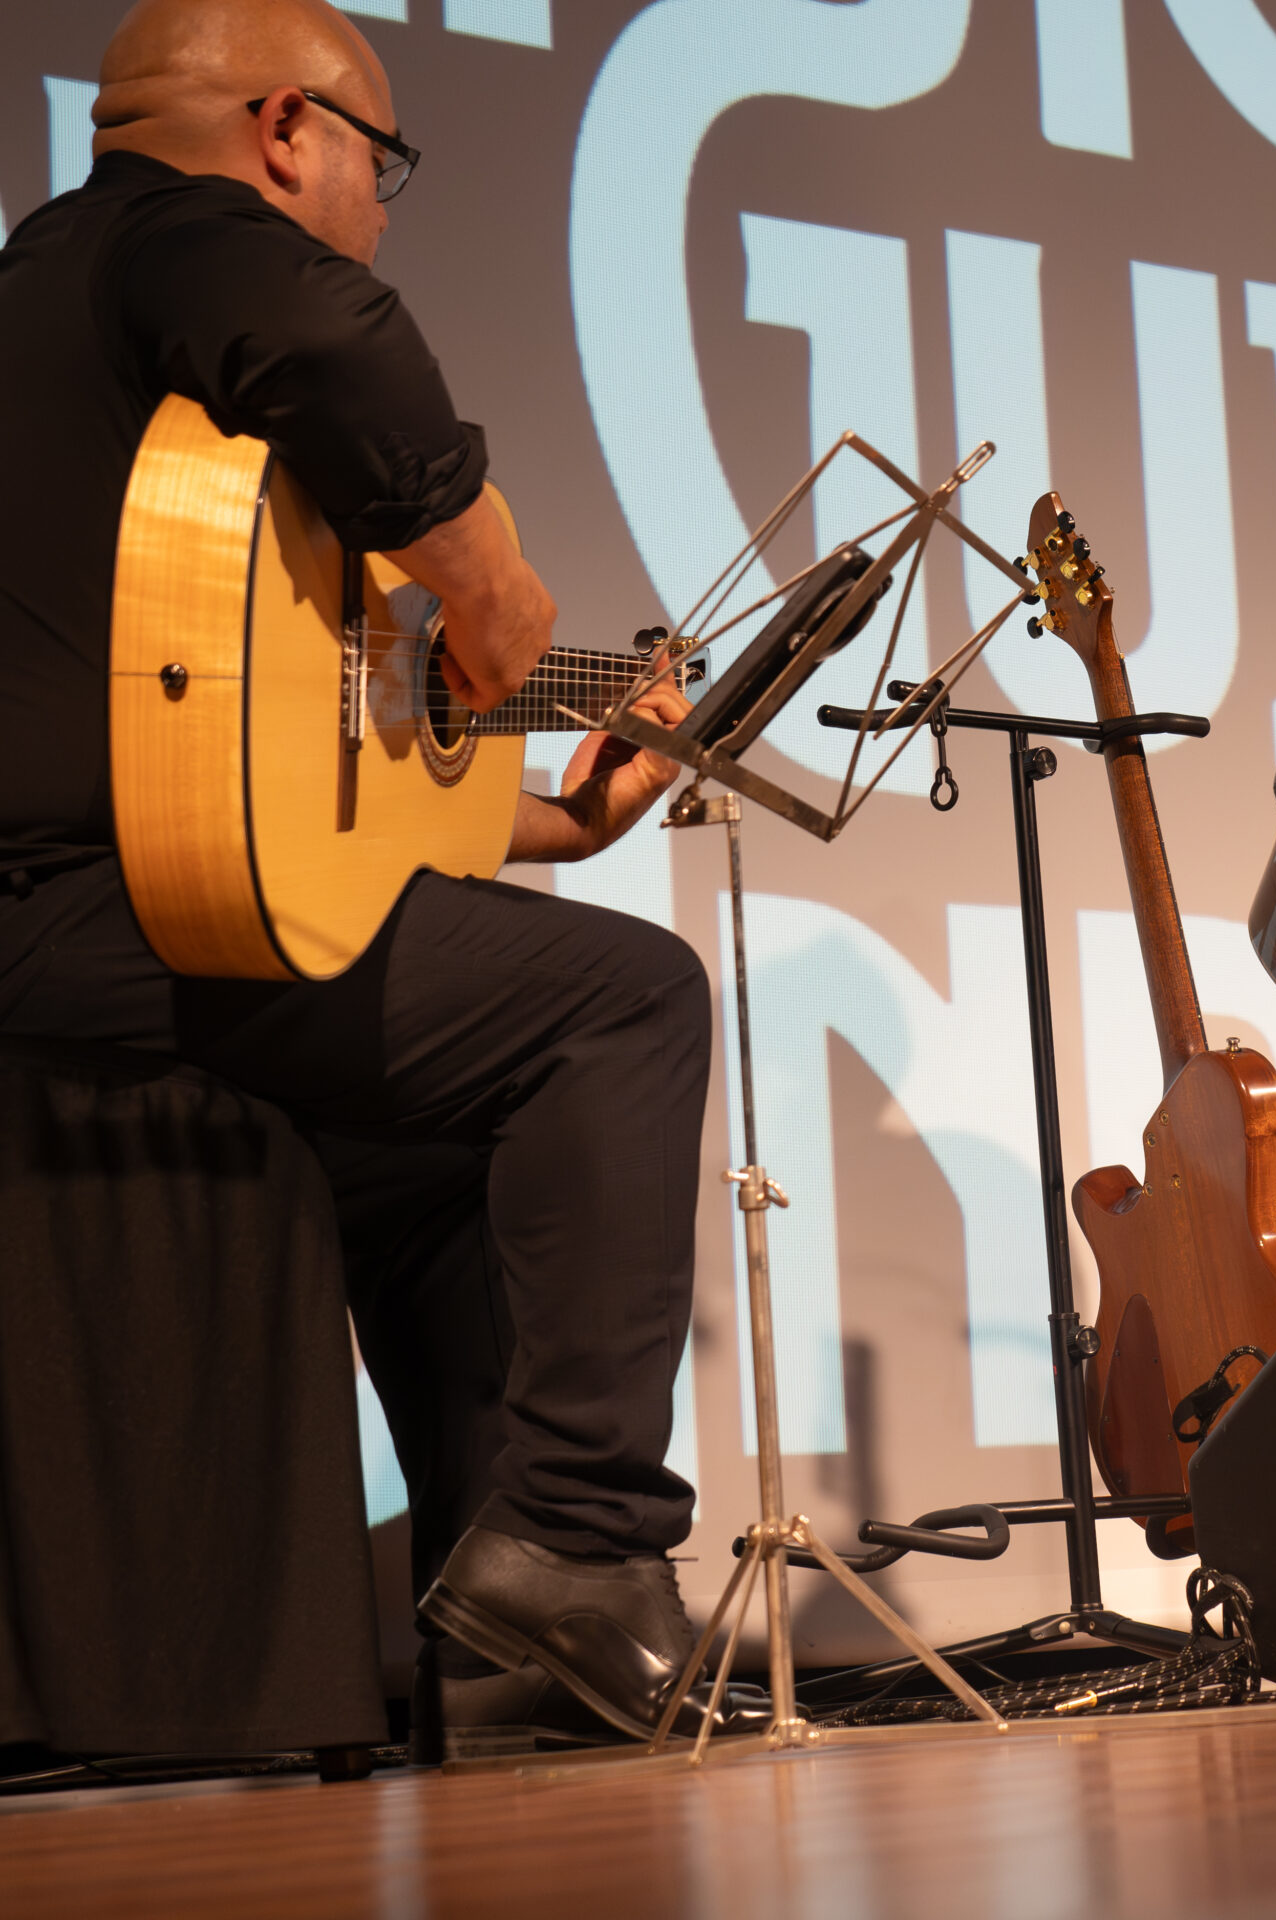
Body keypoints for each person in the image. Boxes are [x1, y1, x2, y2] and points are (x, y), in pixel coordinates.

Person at [0, 0, 764, 1757]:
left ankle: (495, 1614)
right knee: (630, 1002)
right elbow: (323, 328)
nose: (380, 208)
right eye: (381, 159)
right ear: (284, 131)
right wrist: (492, 587)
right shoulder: (164, 242)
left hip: (122, 905)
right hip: (87, 920)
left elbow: (254, 783)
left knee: (436, 1149)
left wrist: (563, 823)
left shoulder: (66, 327)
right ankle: (584, 1540)